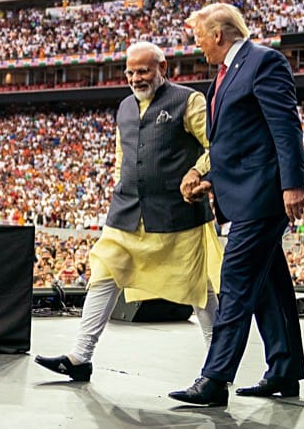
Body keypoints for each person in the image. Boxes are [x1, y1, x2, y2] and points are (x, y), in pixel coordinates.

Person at [34, 41, 222, 382]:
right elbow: (125, 156)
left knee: (199, 290)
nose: (136, 78)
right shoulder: (123, 107)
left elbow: (216, 144)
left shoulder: (189, 101)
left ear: (162, 68)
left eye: (144, 71)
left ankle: (217, 368)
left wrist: (199, 173)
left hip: (176, 214)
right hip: (126, 212)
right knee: (103, 275)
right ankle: (80, 357)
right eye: (131, 72)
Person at [169, 3, 304, 407]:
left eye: (198, 36)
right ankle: (283, 369)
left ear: (218, 34)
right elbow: (239, 144)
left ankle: (215, 378)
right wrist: (208, 178)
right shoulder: (223, 76)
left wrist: (293, 185)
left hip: (264, 197)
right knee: (270, 286)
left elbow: (285, 126)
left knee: (234, 284)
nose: (197, 45)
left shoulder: (264, 62)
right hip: (243, 194)